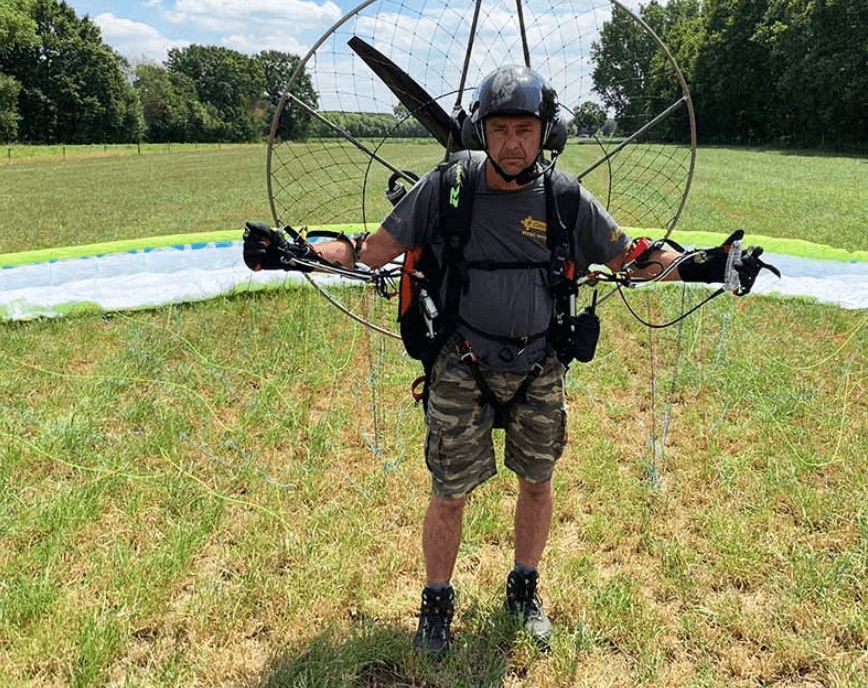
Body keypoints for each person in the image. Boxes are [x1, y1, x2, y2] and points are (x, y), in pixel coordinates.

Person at [243, 65, 763, 657]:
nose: (512, 142)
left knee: (537, 486)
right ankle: (436, 603)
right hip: (460, 366)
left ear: (547, 132)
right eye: (500, 128)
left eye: (525, 128)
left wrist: (707, 264)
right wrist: (292, 254)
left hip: (539, 367)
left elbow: (633, 258)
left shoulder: (567, 199)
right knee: (449, 493)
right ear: (479, 130)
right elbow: (369, 251)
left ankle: (524, 590)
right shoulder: (446, 188)